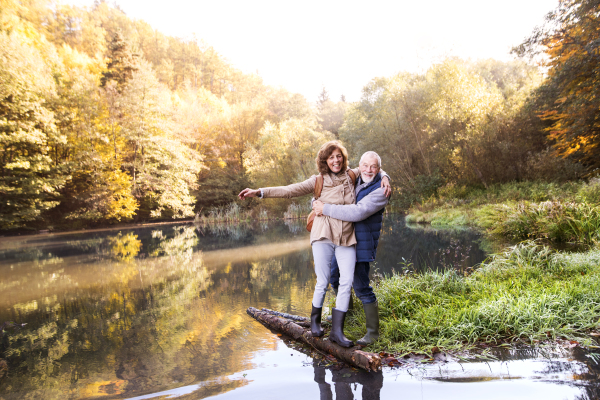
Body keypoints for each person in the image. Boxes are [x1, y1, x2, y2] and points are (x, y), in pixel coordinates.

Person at [238, 141, 390, 348]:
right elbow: (290, 190)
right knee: (326, 279)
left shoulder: (351, 176)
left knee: (349, 282)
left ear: (344, 159)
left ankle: (340, 330)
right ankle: (318, 323)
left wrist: (386, 177)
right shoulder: (318, 180)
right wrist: (260, 192)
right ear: (324, 161)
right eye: (331, 157)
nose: (336, 161)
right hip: (324, 233)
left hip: (346, 235)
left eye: (339, 157)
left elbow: (371, 170)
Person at [312, 151, 388, 346]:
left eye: (374, 167)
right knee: (335, 277)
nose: (369, 170)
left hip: (361, 244)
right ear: (359, 166)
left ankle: (373, 332)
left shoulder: (381, 190)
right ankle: (346, 312)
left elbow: (357, 212)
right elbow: (333, 193)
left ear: (378, 169)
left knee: (361, 286)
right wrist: (316, 202)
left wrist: (325, 208)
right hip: (344, 240)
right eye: (365, 166)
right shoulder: (355, 179)